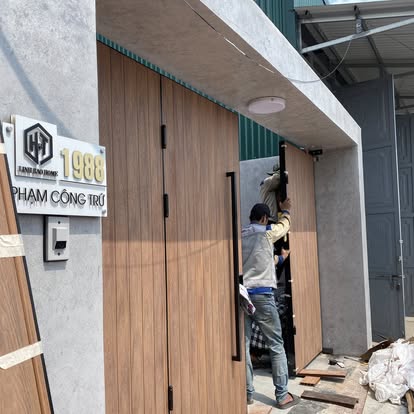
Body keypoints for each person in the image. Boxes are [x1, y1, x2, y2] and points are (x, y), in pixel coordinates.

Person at [242, 201, 300, 410]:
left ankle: (247, 393)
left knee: (244, 346)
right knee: (276, 345)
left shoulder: (241, 235)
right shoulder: (267, 232)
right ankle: (282, 396)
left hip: (243, 297)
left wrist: (281, 259)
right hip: (262, 296)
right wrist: (286, 210)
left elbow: (259, 258)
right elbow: (285, 226)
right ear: (264, 218)